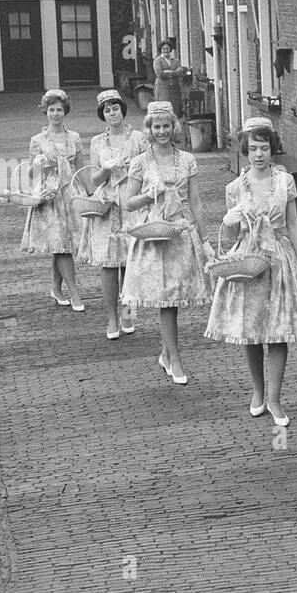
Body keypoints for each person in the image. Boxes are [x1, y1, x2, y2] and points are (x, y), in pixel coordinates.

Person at [205, 118, 297, 425]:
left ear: (272, 149)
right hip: (248, 261)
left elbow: (294, 223)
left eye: (264, 147)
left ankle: (274, 399)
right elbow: (230, 238)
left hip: (279, 259)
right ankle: (258, 392)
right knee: (251, 331)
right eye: (253, 148)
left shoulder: (285, 182)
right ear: (245, 150)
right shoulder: (234, 188)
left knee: (278, 332)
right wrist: (228, 221)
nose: (259, 154)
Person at [120, 100, 212, 385]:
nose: (162, 131)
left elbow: (195, 200)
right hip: (155, 236)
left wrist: (205, 238)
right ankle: (175, 358)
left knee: (174, 298)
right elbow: (128, 202)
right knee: (166, 301)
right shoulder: (140, 162)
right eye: (156, 126)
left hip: (181, 232)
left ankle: (165, 353)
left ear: (174, 127)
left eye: (167, 126)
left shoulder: (187, 159)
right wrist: (149, 195)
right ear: (149, 129)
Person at [77, 88, 147, 340]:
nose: (112, 113)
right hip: (107, 206)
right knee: (108, 264)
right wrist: (106, 169)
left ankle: (129, 312)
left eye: (115, 108)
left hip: (130, 204)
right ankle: (111, 318)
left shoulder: (139, 138)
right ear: (102, 115)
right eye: (107, 110)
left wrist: (133, 170)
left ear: (122, 110)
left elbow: (148, 172)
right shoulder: (97, 142)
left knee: (130, 262)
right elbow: (94, 181)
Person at [21, 88, 84, 311]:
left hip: (70, 193)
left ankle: (56, 289)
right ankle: (75, 293)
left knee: (63, 244)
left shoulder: (74, 137)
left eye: (59, 109)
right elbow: (30, 174)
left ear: (65, 111)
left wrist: (92, 194)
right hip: (49, 196)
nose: (55, 114)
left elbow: (81, 169)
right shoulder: (37, 140)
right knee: (61, 246)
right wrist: (37, 165)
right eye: (51, 110)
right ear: (45, 112)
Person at [151, 37, 188, 119]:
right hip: (162, 89)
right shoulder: (157, 60)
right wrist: (175, 72)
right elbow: (160, 74)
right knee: (164, 110)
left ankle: (175, 129)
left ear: (170, 49)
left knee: (176, 110)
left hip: (175, 88)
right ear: (160, 50)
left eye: (167, 49)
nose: (165, 50)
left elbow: (181, 72)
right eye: (163, 49)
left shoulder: (175, 60)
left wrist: (169, 72)